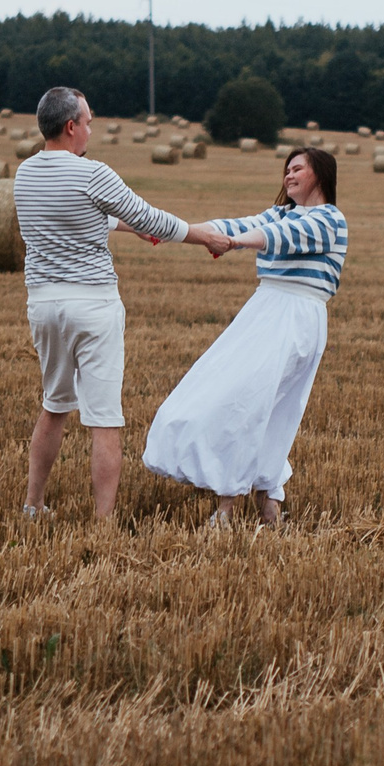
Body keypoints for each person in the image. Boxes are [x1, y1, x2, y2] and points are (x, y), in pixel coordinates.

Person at [14, 86, 232, 521]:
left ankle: (33, 505)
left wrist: (126, 228)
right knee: (104, 419)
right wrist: (201, 234)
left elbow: (80, 214)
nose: (92, 129)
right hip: (92, 306)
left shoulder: (26, 174)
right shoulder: (93, 173)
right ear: (72, 126)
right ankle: (104, 521)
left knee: (54, 405)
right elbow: (149, 216)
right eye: (89, 121)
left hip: (44, 305)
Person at [142, 145, 346, 527]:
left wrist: (235, 243)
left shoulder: (330, 219)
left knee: (252, 406)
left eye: (297, 168)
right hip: (265, 311)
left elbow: (280, 236)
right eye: (286, 169)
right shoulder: (281, 213)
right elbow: (234, 225)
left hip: (295, 317)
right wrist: (172, 232)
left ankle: (230, 507)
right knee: (258, 407)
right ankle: (269, 506)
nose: (288, 175)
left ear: (320, 173)